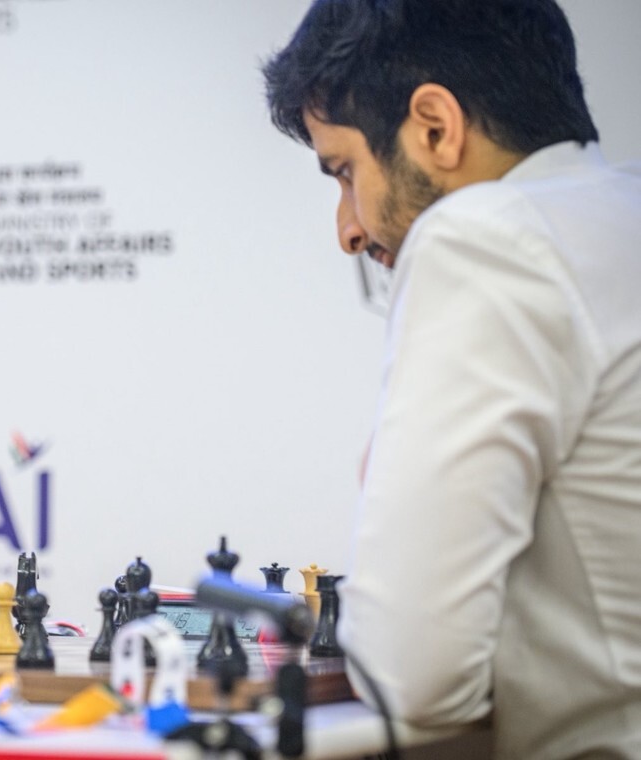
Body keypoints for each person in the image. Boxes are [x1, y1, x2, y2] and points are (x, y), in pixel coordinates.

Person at [264, 1, 641, 757]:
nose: (348, 227)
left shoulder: (484, 240)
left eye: (345, 171)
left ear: (434, 127)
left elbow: (410, 677)